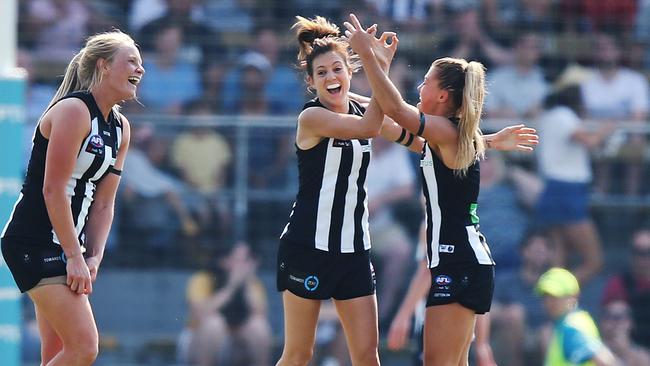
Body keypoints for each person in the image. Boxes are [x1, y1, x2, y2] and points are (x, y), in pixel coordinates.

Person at [344, 13, 538, 365]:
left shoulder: (446, 133)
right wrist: (344, 92)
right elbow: (384, 123)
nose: (419, 87)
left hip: (459, 259)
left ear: (444, 96)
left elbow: (395, 110)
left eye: (426, 82)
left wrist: (371, 59)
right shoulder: (445, 138)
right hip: (460, 259)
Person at [0, 30, 143, 365]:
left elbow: (105, 203)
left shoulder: (120, 128)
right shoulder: (74, 111)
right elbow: (53, 189)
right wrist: (73, 255)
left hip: (66, 247)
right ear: (104, 66)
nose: (141, 69)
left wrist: (93, 256)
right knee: (84, 347)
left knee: (57, 354)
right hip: (34, 242)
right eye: (132, 61)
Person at [275, 15, 390, 366]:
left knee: (367, 356)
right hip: (308, 247)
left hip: (354, 249)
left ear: (349, 72)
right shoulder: (311, 118)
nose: (331, 77)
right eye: (321, 72)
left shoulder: (359, 106)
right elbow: (372, 126)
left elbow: (415, 136)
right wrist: (378, 65)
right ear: (311, 82)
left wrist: (481, 142)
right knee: (298, 354)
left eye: (337, 68)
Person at [177, 242, 272, 366]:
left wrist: (247, 284)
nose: (244, 266)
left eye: (247, 260)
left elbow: (261, 315)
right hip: (199, 340)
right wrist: (231, 287)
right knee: (214, 324)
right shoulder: (202, 279)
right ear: (224, 261)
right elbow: (199, 314)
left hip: (236, 340)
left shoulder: (253, 283)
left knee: (259, 327)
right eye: (239, 260)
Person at [535, 267, 616, 366]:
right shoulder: (567, 323)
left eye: (555, 296)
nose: (548, 302)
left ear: (573, 296)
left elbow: (605, 360)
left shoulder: (571, 327)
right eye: (545, 296)